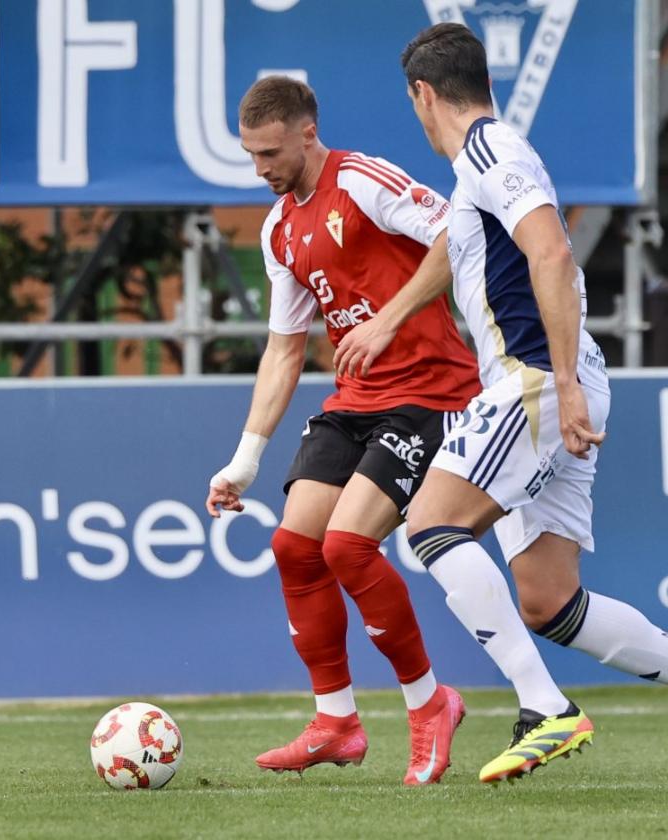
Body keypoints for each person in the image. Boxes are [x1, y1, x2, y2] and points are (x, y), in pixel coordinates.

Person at [334, 22, 668, 796]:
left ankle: (544, 706)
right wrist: (391, 317)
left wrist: (565, 383)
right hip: (549, 379)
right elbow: (458, 244)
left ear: (423, 94)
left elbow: (550, 251)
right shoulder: (479, 167)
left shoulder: (490, 153)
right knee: (546, 600)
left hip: (535, 379)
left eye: (411, 103)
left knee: (429, 524)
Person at [205, 75, 481, 785]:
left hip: (429, 390)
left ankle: (430, 703)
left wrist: (388, 319)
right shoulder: (278, 229)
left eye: (269, 153)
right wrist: (244, 459)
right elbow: (284, 348)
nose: (260, 169)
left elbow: (460, 231)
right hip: (356, 399)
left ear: (306, 132)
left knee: (348, 546)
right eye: (250, 155)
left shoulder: (362, 181)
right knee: (295, 546)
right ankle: (336, 721)